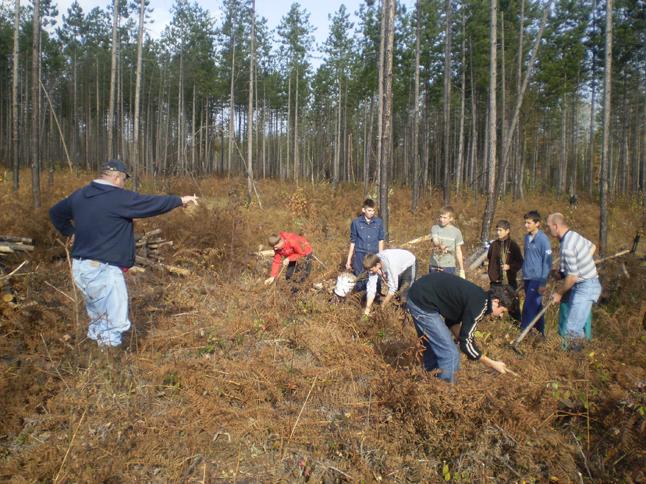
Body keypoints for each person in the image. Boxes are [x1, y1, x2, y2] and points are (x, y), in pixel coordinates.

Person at [49, 159, 199, 348]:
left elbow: (55, 212)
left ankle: (95, 360)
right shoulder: (116, 197)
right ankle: (111, 368)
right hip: (103, 270)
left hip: (82, 269)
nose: (124, 184)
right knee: (114, 323)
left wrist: (70, 232)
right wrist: (179, 200)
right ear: (117, 177)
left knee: (98, 320)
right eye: (124, 180)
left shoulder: (81, 195)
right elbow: (149, 203)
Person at [407, 272, 515, 383]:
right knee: (450, 354)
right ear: (496, 302)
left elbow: (452, 322)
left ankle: (428, 383)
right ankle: (444, 393)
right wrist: (492, 363)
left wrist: (465, 341)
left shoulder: (478, 296)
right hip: (423, 302)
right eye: (502, 311)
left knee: (432, 347)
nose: (501, 316)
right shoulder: (480, 306)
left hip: (418, 294)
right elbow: (465, 343)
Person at [546, 213, 601, 349]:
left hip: (586, 287)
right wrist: (566, 271)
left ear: (555, 226)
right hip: (582, 285)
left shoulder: (568, 246)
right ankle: (583, 357)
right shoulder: (573, 236)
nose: (548, 229)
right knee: (576, 328)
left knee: (572, 329)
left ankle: (576, 362)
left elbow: (572, 277)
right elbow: (591, 246)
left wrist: (558, 294)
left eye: (548, 226)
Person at [521, 211, 552, 335]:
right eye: (525, 222)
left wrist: (543, 282)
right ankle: (541, 333)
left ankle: (523, 334)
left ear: (537, 223)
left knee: (528, 306)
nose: (526, 225)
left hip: (537, 279)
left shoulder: (543, 240)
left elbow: (547, 262)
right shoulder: (526, 238)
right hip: (527, 278)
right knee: (537, 307)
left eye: (529, 223)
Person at [346, 199, 385, 291]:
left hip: (374, 254)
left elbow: (381, 240)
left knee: (375, 277)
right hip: (360, 254)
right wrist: (349, 260)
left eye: (373, 210)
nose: (372, 213)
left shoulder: (378, 222)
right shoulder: (356, 223)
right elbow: (353, 241)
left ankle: (375, 299)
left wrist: (381, 256)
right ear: (363, 210)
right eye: (369, 210)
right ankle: (360, 299)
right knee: (360, 277)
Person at [362, 249, 416, 316]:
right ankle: (397, 312)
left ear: (378, 265)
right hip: (397, 266)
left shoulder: (391, 265)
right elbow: (371, 289)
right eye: (368, 271)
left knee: (404, 292)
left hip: (409, 263)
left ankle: (407, 315)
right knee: (397, 290)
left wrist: (383, 305)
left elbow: (393, 288)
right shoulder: (372, 264)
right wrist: (367, 308)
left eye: (371, 270)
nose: (370, 272)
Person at [429, 206, 465, 278]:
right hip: (434, 264)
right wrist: (440, 245)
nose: (442, 220)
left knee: (446, 288)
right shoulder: (435, 228)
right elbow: (435, 240)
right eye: (440, 217)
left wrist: (462, 269)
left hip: (448, 266)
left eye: (445, 218)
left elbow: (458, 251)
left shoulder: (456, 232)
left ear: (451, 218)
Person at [486, 219, 523, 290]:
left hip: (509, 283)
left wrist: (509, 267)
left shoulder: (513, 245)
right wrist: (492, 275)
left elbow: (520, 262)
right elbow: (490, 258)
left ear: (507, 231)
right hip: (495, 283)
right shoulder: (494, 245)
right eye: (497, 230)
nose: (498, 232)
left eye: (500, 230)